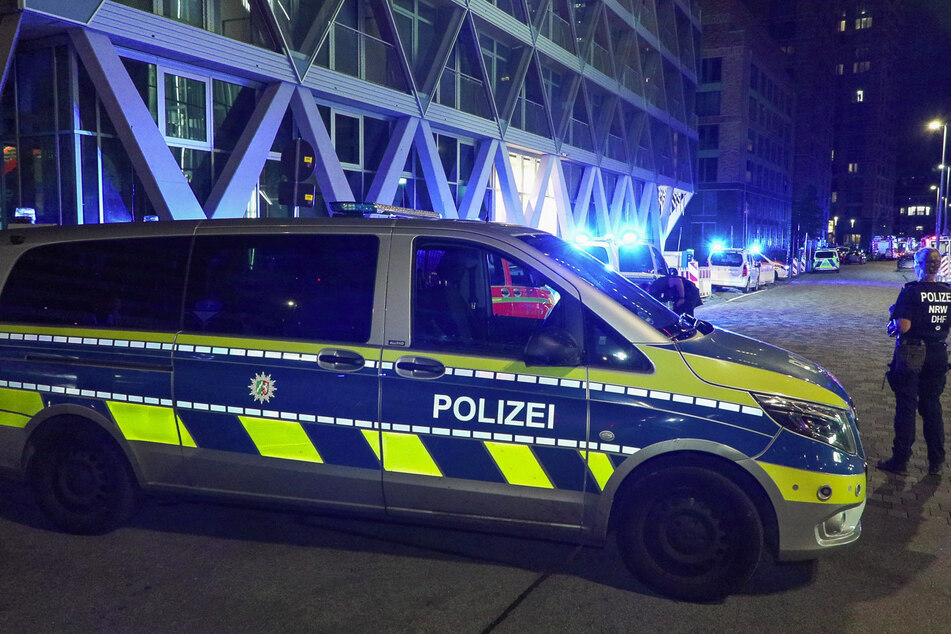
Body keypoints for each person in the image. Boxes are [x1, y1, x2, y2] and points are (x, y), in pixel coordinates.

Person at [878, 247, 951, 476]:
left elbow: (903, 327)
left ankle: (900, 461)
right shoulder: (948, 292)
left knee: (907, 408)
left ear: (918, 265)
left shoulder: (911, 291)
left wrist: (893, 323)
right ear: (938, 267)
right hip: (938, 353)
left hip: (912, 354)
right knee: (932, 407)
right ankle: (936, 461)